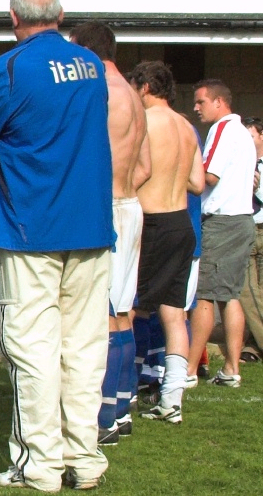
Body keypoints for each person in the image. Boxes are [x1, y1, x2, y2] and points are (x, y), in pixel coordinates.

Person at [0, 0, 112, 491]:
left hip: (29, 226)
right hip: (89, 226)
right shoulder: (91, 66)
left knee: (31, 349)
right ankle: (84, 458)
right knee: (84, 348)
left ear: (13, 16)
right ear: (60, 15)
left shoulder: (7, 69)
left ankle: (38, 464)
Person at [69, 21, 151, 445]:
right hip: (132, 203)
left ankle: (101, 417)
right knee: (122, 311)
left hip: (108, 208)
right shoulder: (136, 98)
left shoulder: (101, 91)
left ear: (85, 51)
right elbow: (145, 168)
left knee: (101, 314)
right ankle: (119, 408)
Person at [121, 61, 204, 425]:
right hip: (181, 222)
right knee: (174, 313)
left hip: (152, 221)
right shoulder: (186, 125)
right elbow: (198, 183)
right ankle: (172, 398)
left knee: (129, 307)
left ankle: (121, 392)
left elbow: (138, 169)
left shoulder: (145, 122)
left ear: (145, 87)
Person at [187, 79, 256, 387]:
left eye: (201, 102)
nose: (196, 108)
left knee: (204, 295)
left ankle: (187, 370)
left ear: (219, 102)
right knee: (230, 296)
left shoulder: (224, 129)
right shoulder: (243, 133)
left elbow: (208, 175)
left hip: (222, 221)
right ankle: (231, 369)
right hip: (242, 220)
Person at [239, 116, 263, 363]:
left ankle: (254, 346)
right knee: (248, 292)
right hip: (249, 227)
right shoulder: (243, 162)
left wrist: (253, 185)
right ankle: (253, 347)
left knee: (255, 293)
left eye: (251, 135)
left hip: (261, 228)